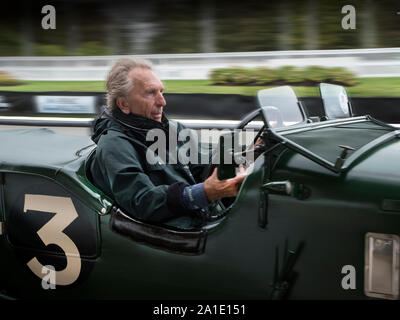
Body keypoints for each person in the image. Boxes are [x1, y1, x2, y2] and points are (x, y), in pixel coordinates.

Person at [90, 58, 247, 229]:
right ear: (124, 104)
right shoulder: (114, 144)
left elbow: (201, 165)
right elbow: (142, 201)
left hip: (205, 220)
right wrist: (202, 193)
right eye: (151, 93)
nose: (162, 102)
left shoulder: (174, 129)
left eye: (161, 92)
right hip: (172, 235)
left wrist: (246, 155)